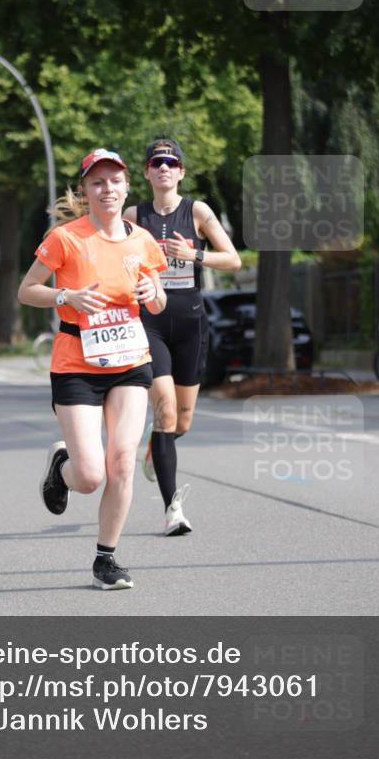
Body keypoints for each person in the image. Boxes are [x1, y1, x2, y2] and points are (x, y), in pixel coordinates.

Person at [18, 148, 168, 590]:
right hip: (76, 363)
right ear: (85, 190)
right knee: (89, 476)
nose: (108, 189)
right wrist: (67, 297)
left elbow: (159, 301)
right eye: (98, 182)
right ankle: (62, 468)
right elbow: (27, 290)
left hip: (130, 361)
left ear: (127, 187)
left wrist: (152, 292)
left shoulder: (143, 241)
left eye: (115, 181)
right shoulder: (65, 238)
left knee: (121, 462)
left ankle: (107, 559)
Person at [124, 138, 241, 535]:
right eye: (157, 162)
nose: (164, 168)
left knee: (183, 422)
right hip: (150, 323)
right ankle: (172, 511)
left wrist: (194, 255)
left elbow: (233, 259)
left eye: (171, 162)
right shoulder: (134, 215)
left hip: (190, 322)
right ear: (146, 172)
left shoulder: (197, 211)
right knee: (166, 412)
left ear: (181, 172)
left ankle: (156, 447)